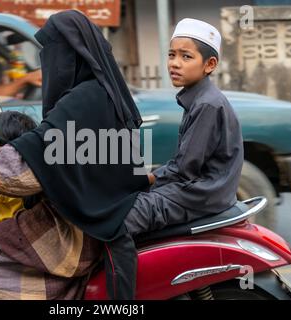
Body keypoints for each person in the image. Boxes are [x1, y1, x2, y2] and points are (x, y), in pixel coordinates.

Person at [0, 10, 149, 300]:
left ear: (69, 52)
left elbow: (33, 162)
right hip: (96, 216)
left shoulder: (82, 101)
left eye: (51, 52)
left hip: (76, 230)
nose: (48, 63)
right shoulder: (100, 95)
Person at [110, 18, 244, 298]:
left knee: (118, 219)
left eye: (186, 56)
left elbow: (185, 168)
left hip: (199, 194)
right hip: (198, 189)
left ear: (209, 65)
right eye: (172, 55)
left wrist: (146, 179)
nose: (175, 63)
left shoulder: (207, 104)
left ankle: (122, 297)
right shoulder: (198, 98)